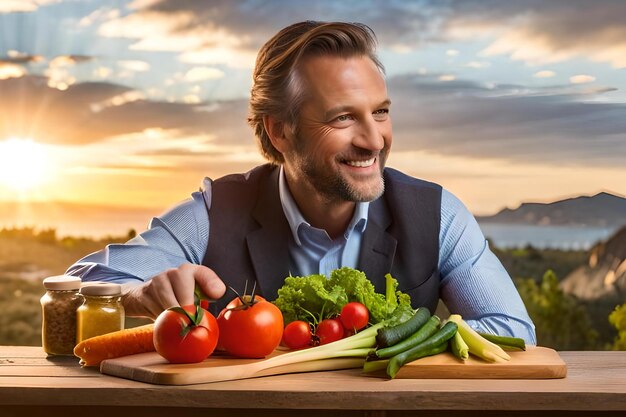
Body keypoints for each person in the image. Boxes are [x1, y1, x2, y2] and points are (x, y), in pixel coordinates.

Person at [67, 21, 536, 344]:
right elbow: (76, 285)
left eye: (381, 112)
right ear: (280, 130)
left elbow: (514, 329)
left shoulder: (437, 214)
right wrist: (139, 292)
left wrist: (402, 343)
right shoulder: (215, 213)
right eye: (343, 118)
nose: (374, 140)